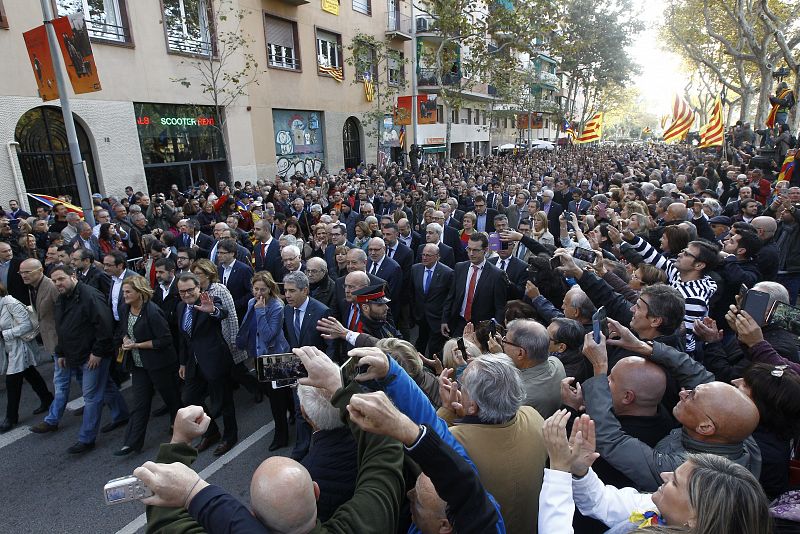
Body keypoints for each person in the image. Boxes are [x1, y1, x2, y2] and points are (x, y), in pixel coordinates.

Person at [134, 347, 404, 533]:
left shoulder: (318, 465)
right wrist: (338, 385)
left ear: (253, 514)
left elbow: (166, 523)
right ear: (314, 490)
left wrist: (179, 442)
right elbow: (384, 455)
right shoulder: (366, 523)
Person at [538, 411, 772, 534]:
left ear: (695, 518)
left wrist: (559, 471)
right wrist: (580, 471)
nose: (664, 476)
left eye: (675, 483)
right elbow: (604, 503)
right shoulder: (660, 509)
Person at [30, 265, 129, 454]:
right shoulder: (63, 298)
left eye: (61, 279)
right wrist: (61, 352)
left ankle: (86, 439)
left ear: (73, 276)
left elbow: (104, 326)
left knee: (91, 397)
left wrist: (98, 353)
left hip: (92, 355)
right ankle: (122, 414)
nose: (58, 283)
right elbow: (63, 328)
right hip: (75, 354)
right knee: (106, 386)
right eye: (55, 280)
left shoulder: (90, 296)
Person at [113, 275, 180, 456]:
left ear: (140, 292)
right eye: (123, 292)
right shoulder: (125, 309)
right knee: (140, 404)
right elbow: (122, 330)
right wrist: (125, 338)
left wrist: (137, 345)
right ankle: (132, 443)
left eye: (128, 292)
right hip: (139, 365)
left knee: (172, 398)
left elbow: (165, 340)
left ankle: (181, 426)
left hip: (160, 364)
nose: (124, 295)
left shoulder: (152, 312)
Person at [176, 272, 238, 456]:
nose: (186, 295)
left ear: (199, 288)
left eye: (190, 290)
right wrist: (182, 363)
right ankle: (211, 433)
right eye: (182, 292)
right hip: (193, 364)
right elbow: (184, 339)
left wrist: (212, 310)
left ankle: (229, 436)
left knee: (224, 401)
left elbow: (221, 313)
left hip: (215, 360)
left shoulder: (210, 301)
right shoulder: (181, 307)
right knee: (189, 398)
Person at [236, 271, 291, 451]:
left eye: (262, 289)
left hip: (275, 358)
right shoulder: (252, 302)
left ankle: (281, 436)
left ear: (270, 289)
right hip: (259, 356)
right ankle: (292, 412)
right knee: (274, 393)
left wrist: (260, 311)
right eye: (255, 289)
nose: (258, 293)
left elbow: (268, 336)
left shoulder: (276, 306)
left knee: (276, 400)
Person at [0, 281, 53, 433]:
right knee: (30, 373)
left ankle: (11, 417)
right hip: (9, 348)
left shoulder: (9, 302)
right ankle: (48, 399)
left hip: (20, 346)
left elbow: (26, 326)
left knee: (12, 381)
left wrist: (5, 334)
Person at [441, 233, 507, 338]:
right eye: (469, 249)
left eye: (476, 250)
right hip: (459, 324)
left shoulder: (497, 275)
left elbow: (500, 307)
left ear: (485, 250)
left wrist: (495, 330)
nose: (471, 253)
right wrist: (444, 319)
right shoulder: (460, 268)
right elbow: (451, 296)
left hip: (482, 329)